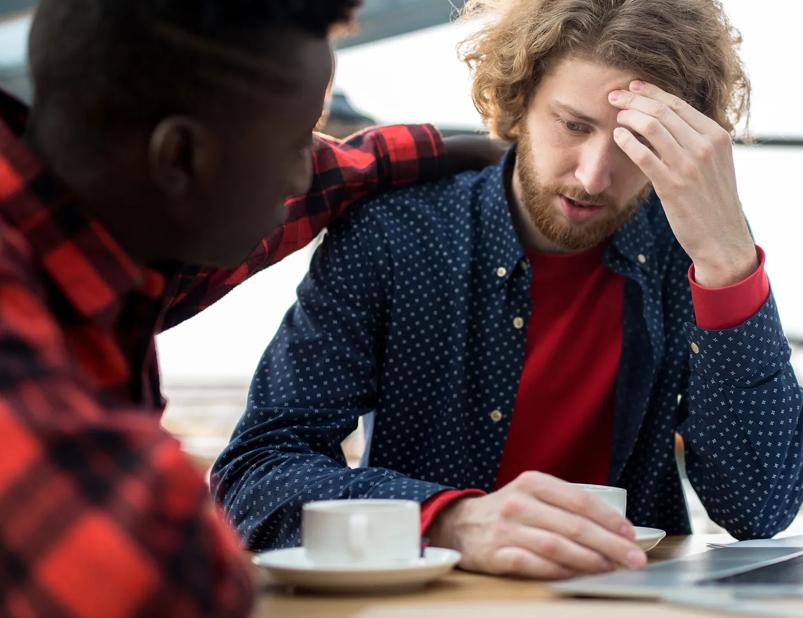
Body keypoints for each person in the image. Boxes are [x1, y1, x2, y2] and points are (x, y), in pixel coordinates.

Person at [214, 0, 803, 581]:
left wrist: (729, 265)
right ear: (520, 100)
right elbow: (255, 474)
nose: (593, 175)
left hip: (628, 601)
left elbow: (757, 509)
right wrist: (453, 520)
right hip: (431, 604)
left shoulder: (694, 250)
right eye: (574, 125)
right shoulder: (394, 235)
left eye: (636, 142)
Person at [0, 1, 497, 615]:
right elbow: (155, 578)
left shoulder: (103, 235)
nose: (300, 175)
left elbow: (326, 181)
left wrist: (448, 155)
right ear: (180, 157)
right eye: (294, 144)